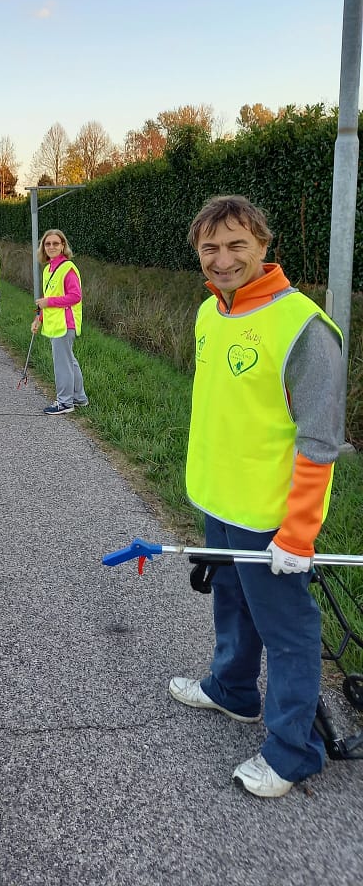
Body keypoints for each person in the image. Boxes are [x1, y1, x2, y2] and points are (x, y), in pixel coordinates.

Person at [170, 194, 344, 798]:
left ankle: (294, 751)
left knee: (289, 631)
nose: (223, 259)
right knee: (230, 602)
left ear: (264, 246)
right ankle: (233, 691)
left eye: (237, 245)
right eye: (210, 248)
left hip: (270, 514)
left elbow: (321, 442)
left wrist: (298, 533)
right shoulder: (207, 313)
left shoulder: (303, 327)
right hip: (218, 498)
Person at [32, 228, 88, 414]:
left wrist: (48, 302)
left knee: (62, 364)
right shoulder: (49, 268)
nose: (51, 247)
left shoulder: (67, 268)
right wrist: (39, 318)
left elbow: (75, 296)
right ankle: (79, 398)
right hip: (55, 322)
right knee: (69, 361)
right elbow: (50, 296)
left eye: (56, 243)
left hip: (65, 322)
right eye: (47, 244)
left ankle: (65, 403)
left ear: (63, 245)